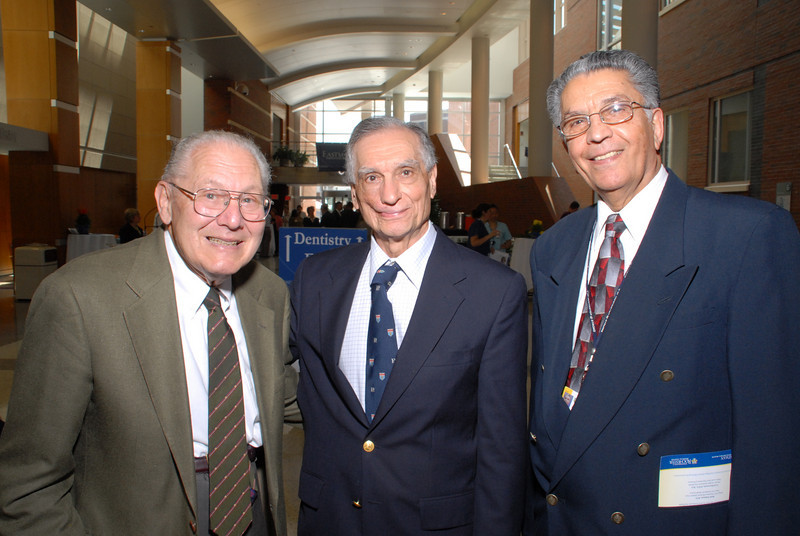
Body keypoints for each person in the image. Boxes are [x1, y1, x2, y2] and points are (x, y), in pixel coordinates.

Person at [525, 49, 800, 535]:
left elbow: (773, 439)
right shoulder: (553, 249)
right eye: (575, 122)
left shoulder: (747, 236)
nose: (596, 133)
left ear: (656, 125)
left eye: (616, 110)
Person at [0, 130, 301, 535]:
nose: (232, 219)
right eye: (210, 195)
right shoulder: (79, 298)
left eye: (249, 200)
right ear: (165, 202)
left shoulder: (269, 293)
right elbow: (29, 485)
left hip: (252, 508)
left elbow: (279, 390)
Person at [290, 117, 528, 535]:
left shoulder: (493, 292)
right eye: (371, 177)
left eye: (405, 172)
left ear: (432, 180)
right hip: (331, 519)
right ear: (355, 192)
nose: (389, 194)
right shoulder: (314, 280)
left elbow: (501, 448)